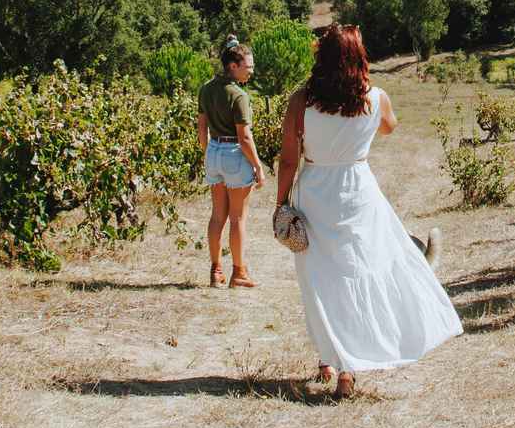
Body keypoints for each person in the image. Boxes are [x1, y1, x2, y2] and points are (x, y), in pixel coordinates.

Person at [274, 25, 463, 399]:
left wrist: (281, 203)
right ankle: (346, 368)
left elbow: (288, 159)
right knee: (358, 272)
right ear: (359, 58)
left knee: (319, 279)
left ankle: (330, 358)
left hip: (315, 192)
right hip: (358, 190)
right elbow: (391, 127)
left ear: (321, 58)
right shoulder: (375, 98)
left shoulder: (302, 100)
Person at [198, 37, 265, 288]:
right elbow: (244, 137)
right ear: (234, 66)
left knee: (217, 215)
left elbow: (201, 127)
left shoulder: (206, 88)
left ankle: (216, 271)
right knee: (238, 218)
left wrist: (209, 154)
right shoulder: (239, 96)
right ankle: (239, 273)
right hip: (234, 154)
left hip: (213, 151)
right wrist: (258, 166)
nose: (251, 71)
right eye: (248, 66)